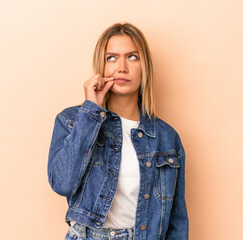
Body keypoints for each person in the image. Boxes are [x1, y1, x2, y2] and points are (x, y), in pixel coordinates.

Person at [47, 22, 188, 240]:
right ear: (101, 67)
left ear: (145, 67)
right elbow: (62, 183)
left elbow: (176, 221)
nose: (121, 67)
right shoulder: (73, 121)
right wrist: (91, 112)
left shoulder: (167, 138)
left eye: (132, 57)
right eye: (111, 58)